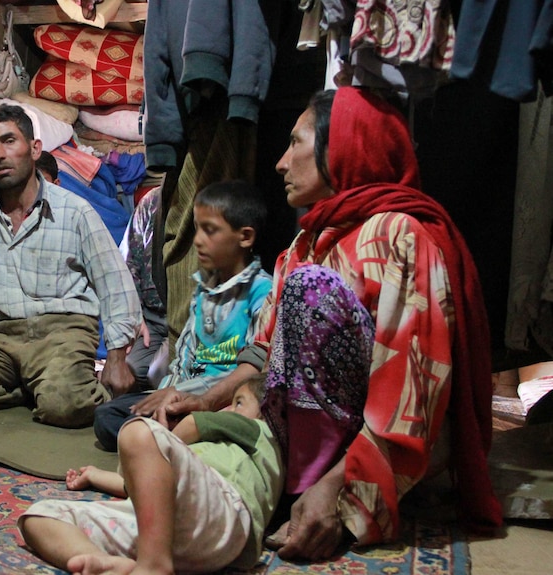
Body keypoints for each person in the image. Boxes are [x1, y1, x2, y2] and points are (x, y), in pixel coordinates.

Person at [132, 87, 503, 559]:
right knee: (141, 424)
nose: (280, 162)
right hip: (294, 427)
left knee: (311, 290)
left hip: (370, 449)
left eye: (296, 144)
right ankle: (284, 472)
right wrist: (203, 397)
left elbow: (412, 396)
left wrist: (334, 489)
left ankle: (316, 486)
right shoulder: (307, 242)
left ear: (344, 147)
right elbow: (263, 349)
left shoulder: (400, 235)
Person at [0, 104, 141, 427]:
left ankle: (52, 387)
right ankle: (25, 388)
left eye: (9, 141)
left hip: (62, 333)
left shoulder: (75, 212)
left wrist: (116, 358)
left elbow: (115, 283)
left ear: (34, 149)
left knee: (65, 405)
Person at [18, 374, 284, 574]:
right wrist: (96, 475)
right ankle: (103, 562)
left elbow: (191, 424)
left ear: (268, 410)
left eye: (237, 402)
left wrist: (160, 439)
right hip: (189, 543)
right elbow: (149, 488)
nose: (225, 409)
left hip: (221, 511)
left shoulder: (259, 431)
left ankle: (153, 567)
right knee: (39, 516)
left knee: (138, 431)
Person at [93, 180, 273, 451]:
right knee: (108, 415)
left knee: (143, 428)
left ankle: (170, 441)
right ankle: (167, 440)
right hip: (187, 395)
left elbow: (250, 372)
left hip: (222, 402)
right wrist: (170, 389)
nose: (198, 240)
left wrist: (191, 395)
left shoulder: (262, 292)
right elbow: (187, 357)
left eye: (210, 231)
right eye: (197, 229)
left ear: (245, 237)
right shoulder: (205, 290)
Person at [122, 186, 168, 391]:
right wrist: (135, 315)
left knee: (158, 373)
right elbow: (129, 261)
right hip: (152, 316)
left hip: (185, 317)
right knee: (130, 369)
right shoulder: (152, 201)